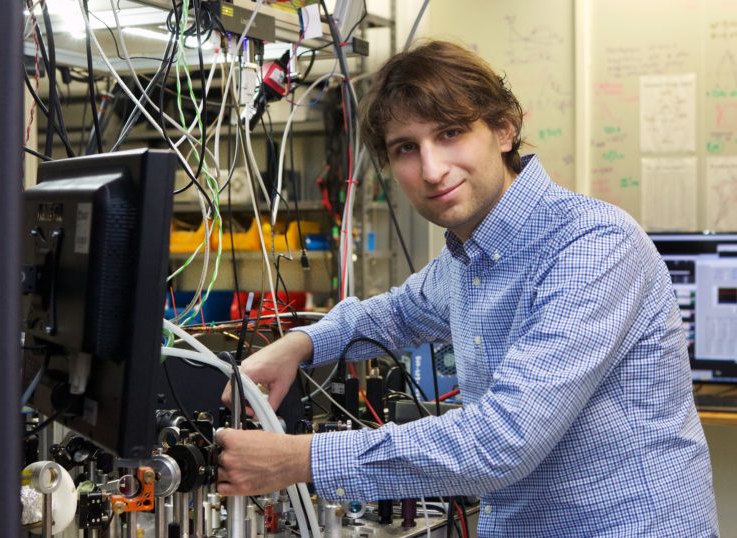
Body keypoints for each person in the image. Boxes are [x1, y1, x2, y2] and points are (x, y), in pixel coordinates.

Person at [216, 40, 718, 536]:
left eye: (451, 133)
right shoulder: (468, 257)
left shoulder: (591, 245)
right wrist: (299, 344)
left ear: (504, 129)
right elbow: (395, 313)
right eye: (406, 148)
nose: (432, 170)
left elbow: (504, 440)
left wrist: (298, 459)